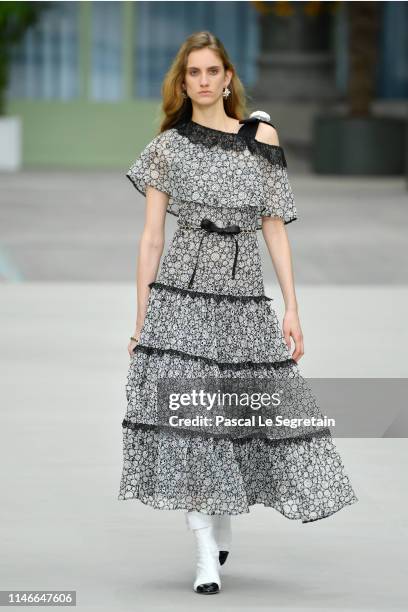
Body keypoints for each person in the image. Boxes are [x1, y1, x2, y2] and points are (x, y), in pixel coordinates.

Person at [118, 30, 359, 595]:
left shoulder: (261, 135)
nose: (203, 80)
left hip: (243, 296)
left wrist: (292, 307)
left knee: (237, 418)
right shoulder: (167, 147)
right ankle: (206, 555)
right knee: (191, 424)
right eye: (193, 73)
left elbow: (274, 224)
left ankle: (220, 521)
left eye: (212, 71)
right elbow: (151, 238)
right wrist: (141, 320)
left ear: (228, 78)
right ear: (182, 83)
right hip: (179, 297)